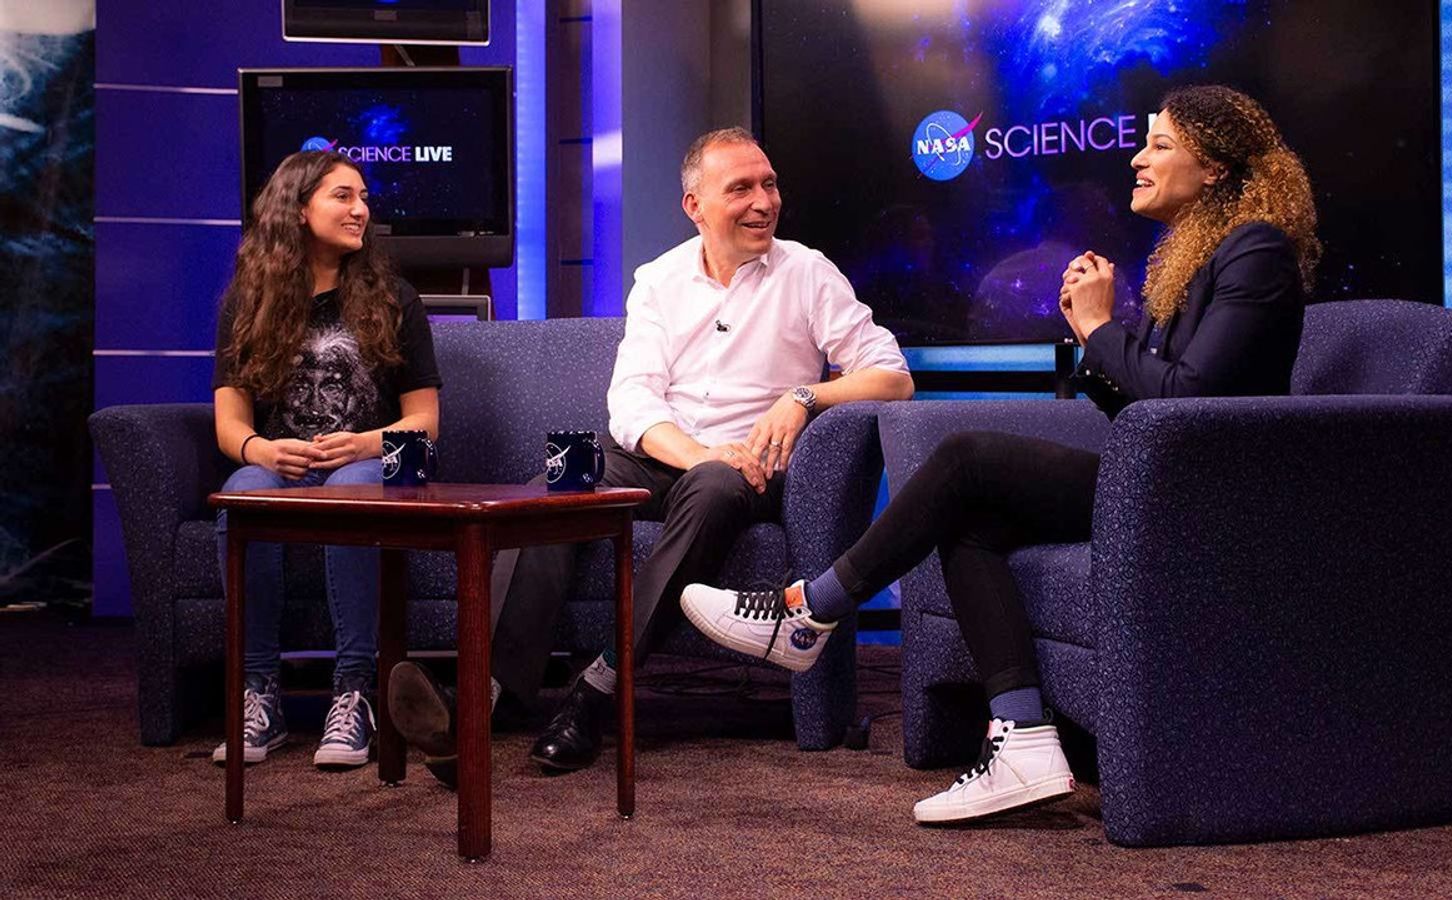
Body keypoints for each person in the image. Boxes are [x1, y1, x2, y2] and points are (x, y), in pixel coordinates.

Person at [681, 85, 1321, 824]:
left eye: (1161, 145)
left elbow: (1193, 399)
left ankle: (806, 612)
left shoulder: (1256, 250)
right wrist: (1097, 337)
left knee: (965, 459)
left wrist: (1102, 328)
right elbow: (1153, 406)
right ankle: (1022, 738)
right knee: (971, 517)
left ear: (1213, 168)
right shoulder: (1202, 255)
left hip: (1206, 492)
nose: (1139, 158)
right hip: (1166, 474)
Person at [386, 127, 913, 784]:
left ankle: (595, 691)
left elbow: (893, 376)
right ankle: (481, 702)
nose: (763, 202)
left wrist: (803, 396)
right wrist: (691, 452)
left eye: (769, 184)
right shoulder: (659, 279)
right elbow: (631, 402)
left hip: (747, 466)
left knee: (716, 484)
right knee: (557, 475)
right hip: (664, 449)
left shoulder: (806, 273)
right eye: (741, 188)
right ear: (694, 205)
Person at [210, 150, 442, 768]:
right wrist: (261, 447)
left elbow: (425, 424)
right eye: (343, 196)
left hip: (376, 462)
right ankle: (258, 694)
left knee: (351, 488)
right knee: (245, 492)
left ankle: (353, 692)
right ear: (297, 205)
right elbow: (229, 425)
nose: (360, 209)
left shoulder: (394, 297)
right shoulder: (247, 301)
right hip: (282, 463)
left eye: (363, 197)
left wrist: (365, 443)